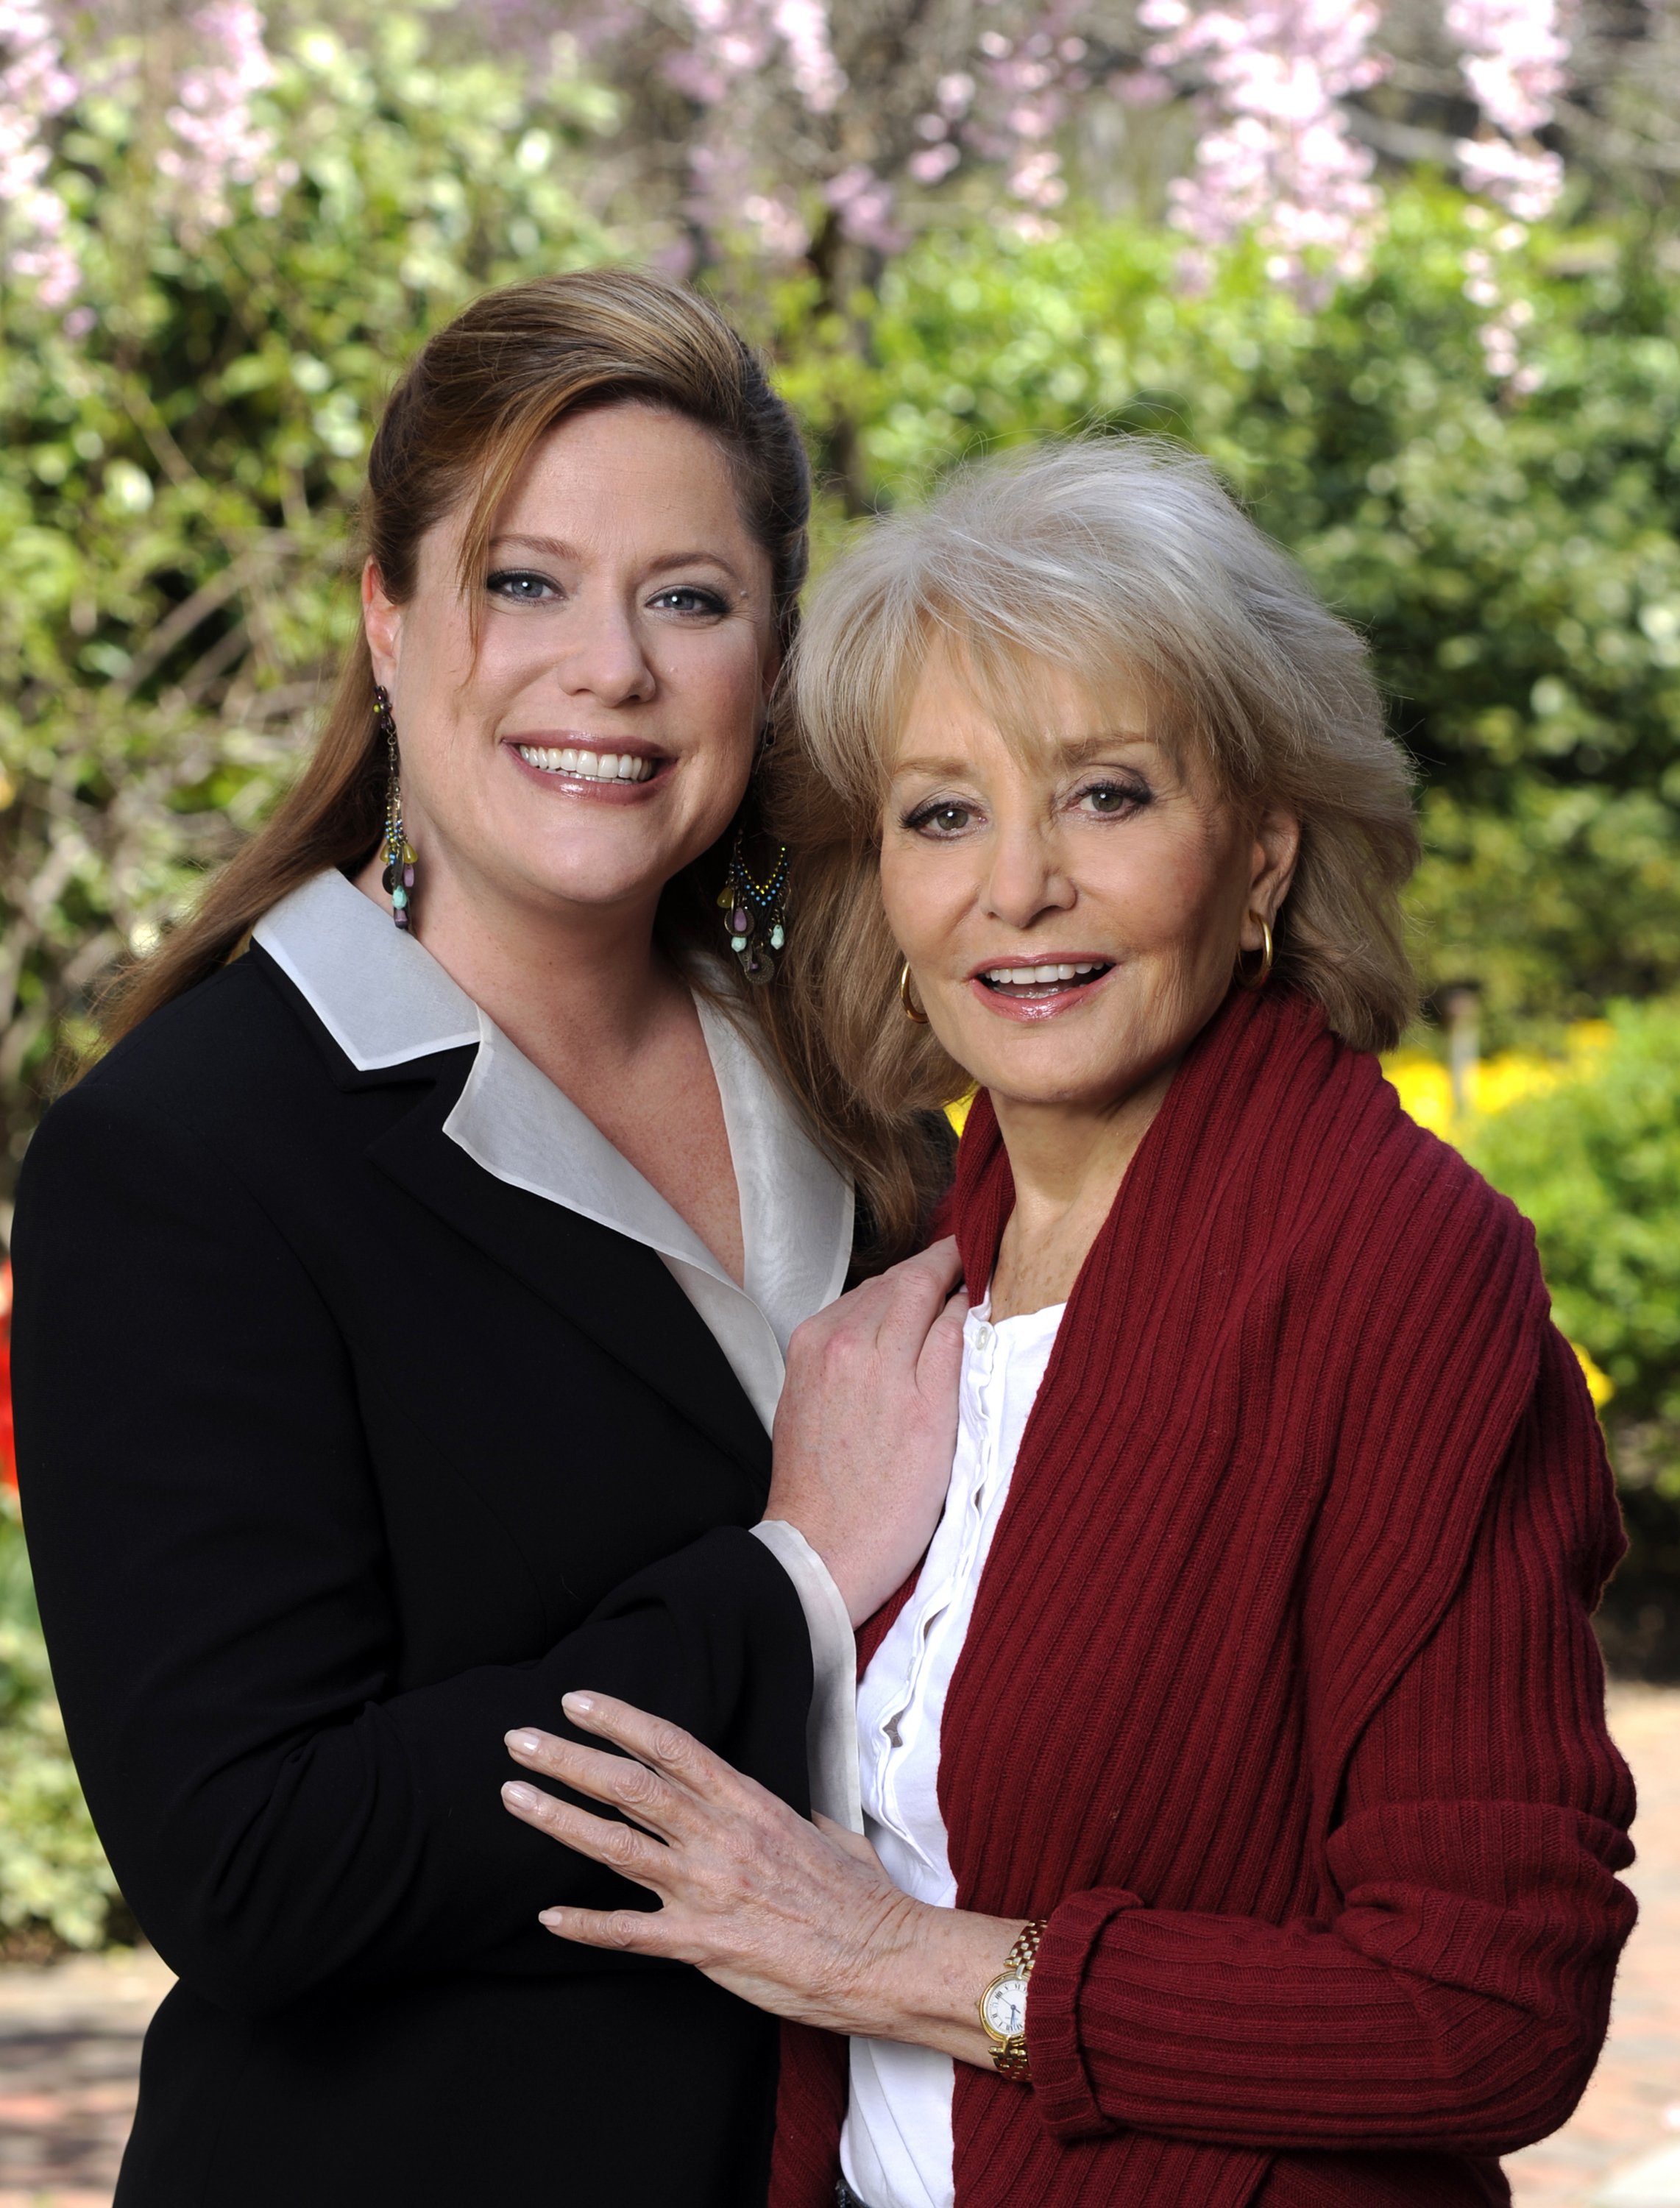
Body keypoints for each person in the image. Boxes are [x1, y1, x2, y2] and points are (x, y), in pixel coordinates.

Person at [498, 439, 1639, 2208]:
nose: (1014, 888)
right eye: (941, 814)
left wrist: (895, 1959)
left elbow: (1483, 2010)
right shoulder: (906, 1283)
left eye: (1105, 796)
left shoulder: (1391, 1264)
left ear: (1260, 852)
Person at [9, 268, 965, 2208]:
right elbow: (256, 1865)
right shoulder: (186, 1156)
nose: (606, 668)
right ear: (385, 615)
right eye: (524, 583)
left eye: (686, 598)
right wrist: (782, 1577)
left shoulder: (869, 1110)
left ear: (766, 651)